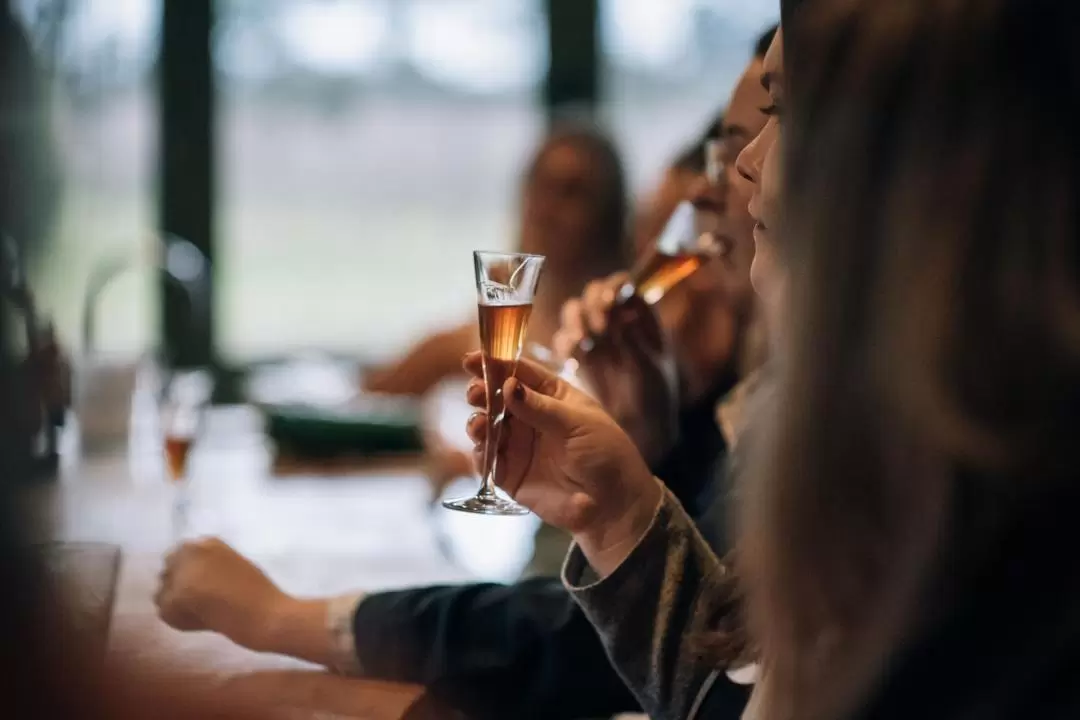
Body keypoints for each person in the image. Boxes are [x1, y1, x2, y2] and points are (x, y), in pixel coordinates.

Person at [461, 0, 1080, 718]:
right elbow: (744, 698)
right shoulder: (899, 450)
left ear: (902, 165)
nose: (741, 170)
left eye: (782, 111)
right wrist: (617, 515)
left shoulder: (988, 521)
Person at [154, 26, 777, 720]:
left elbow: (600, 658)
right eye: (725, 152)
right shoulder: (729, 405)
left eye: (768, 128)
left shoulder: (798, 426)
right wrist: (651, 439)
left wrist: (286, 621)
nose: (726, 184)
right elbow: (676, 671)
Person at [362, 125, 629, 397]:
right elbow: (372, 392)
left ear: (608, 215)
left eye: (571, 192)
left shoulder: (622, 341)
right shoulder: (488, 332)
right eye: (539, 186)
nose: (545, 210)